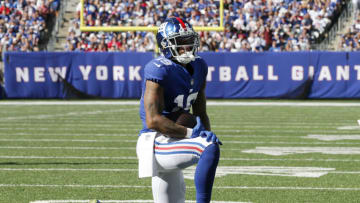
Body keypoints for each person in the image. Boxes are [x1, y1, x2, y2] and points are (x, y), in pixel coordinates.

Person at [137, 17, 222, 203]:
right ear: (166, 45)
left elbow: (200, 111)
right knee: (209, 148)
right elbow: (153, 120)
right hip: (156, 140)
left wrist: (206, 132)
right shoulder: (158, 69)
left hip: (176, 139)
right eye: (181, 43)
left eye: (189, 41)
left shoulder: (199, 65)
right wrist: (192, 133)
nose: (188, 47)